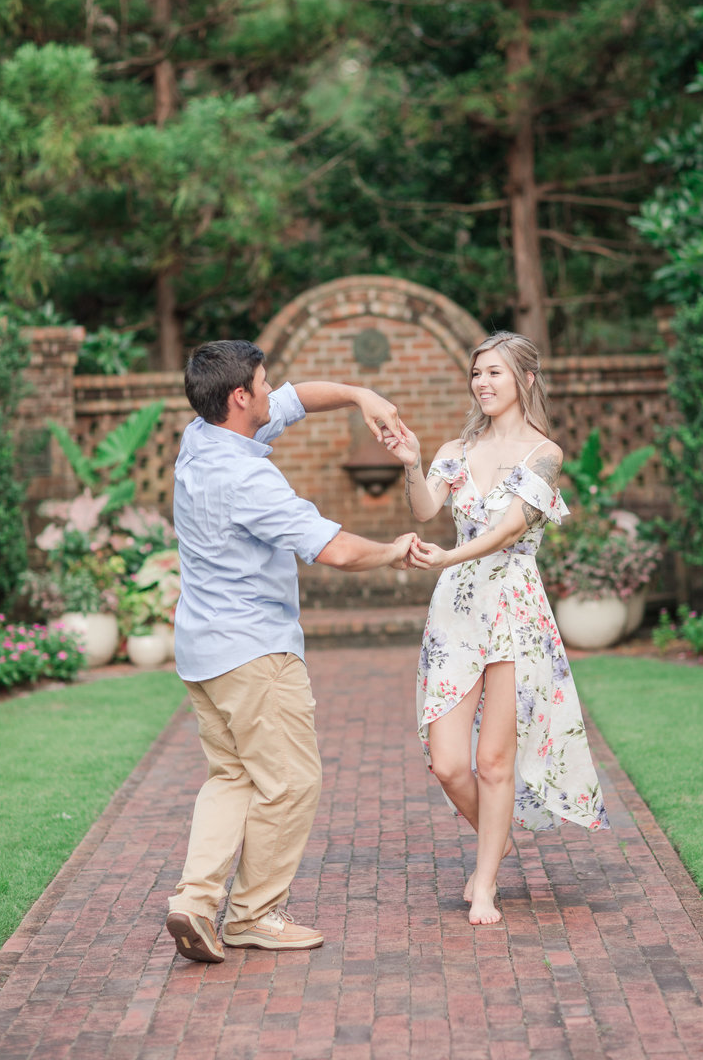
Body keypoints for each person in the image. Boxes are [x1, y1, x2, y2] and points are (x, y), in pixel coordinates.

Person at [165, 339, 416, 963]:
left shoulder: (201, 437)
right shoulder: (246, 478)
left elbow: (298, 398)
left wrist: (359, 395)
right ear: (240, 396)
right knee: (291, 783)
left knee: (233, 777)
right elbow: (335, 550)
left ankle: (194, 902)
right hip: (254, 654)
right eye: (263, 382)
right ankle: (253, 915)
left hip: (202, 650)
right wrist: (394, 550)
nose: (272, 390)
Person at [385, 331, 609, 927]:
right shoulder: (455, 449)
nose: (482, 383)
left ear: (525, 379)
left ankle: (484, 884)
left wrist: (447, 557)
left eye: (495, 372)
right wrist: (411, 464)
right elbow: (425, 508)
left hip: (513, 607)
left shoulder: (545, 454)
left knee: (493, 760)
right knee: (447, 763)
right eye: (477, 372)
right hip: (456, 612)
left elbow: (509, 529)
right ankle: (496, 835)